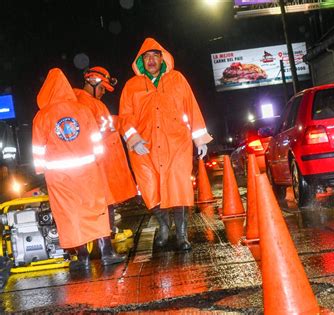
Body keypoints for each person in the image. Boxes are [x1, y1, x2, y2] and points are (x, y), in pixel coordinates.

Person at [119, 38, 213, 251]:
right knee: (150, 190)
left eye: (155, 55)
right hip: (145, 148)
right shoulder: (131, 86)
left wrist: (200, 139)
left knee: (179, 188)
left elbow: (191, 107)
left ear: (162, 58)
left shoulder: (177, 79)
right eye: (147, 57)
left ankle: (181, 235)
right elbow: (125, 117)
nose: (151, 60)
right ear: (141, 61)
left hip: (176, 145)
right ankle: (163, 226)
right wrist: (134, 140)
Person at [32, 68, 125, 270]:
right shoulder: (82, 110)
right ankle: (106, 252)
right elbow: (95, 139)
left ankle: (82, 257)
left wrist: (41, 168)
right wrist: (97, 159)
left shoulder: (42, 116)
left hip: (60, 177)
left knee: (70, 214)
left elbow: (38, 147)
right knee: (96, 208)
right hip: (87, 172)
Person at [74, 66, 137, 241]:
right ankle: (106, 238)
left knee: (106, 200)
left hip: (99, 161)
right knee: (103, 201)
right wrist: (120, 121)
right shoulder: (85, 102)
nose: (103, 92)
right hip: (98, 163)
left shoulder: (83, 101)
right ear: (92, 82)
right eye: (102, 88)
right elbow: (98, 126)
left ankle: (110, 232)